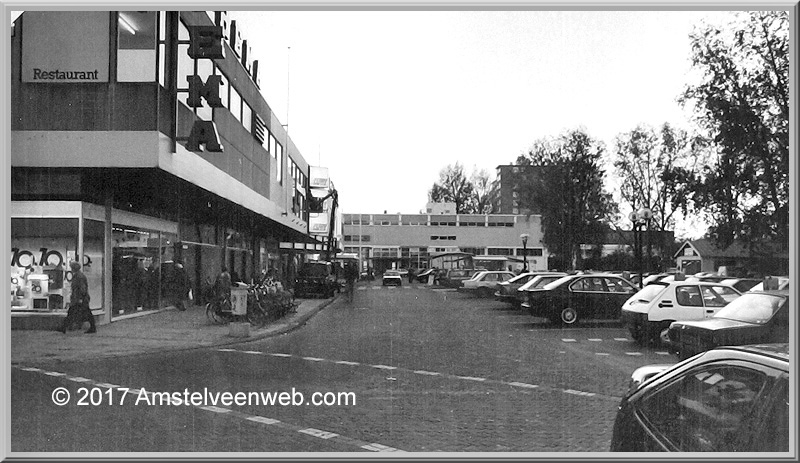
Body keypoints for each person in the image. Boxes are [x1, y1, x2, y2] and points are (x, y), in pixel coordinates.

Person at [58, 260, 96, 334]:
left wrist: (80, 298)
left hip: (79, 299)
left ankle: (63, 327)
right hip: (79, 298)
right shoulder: (79, 275)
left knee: (74, 312)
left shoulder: (79, 276)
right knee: (83, 313)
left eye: (71, 267)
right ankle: (63, 327)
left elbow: (82, 288)